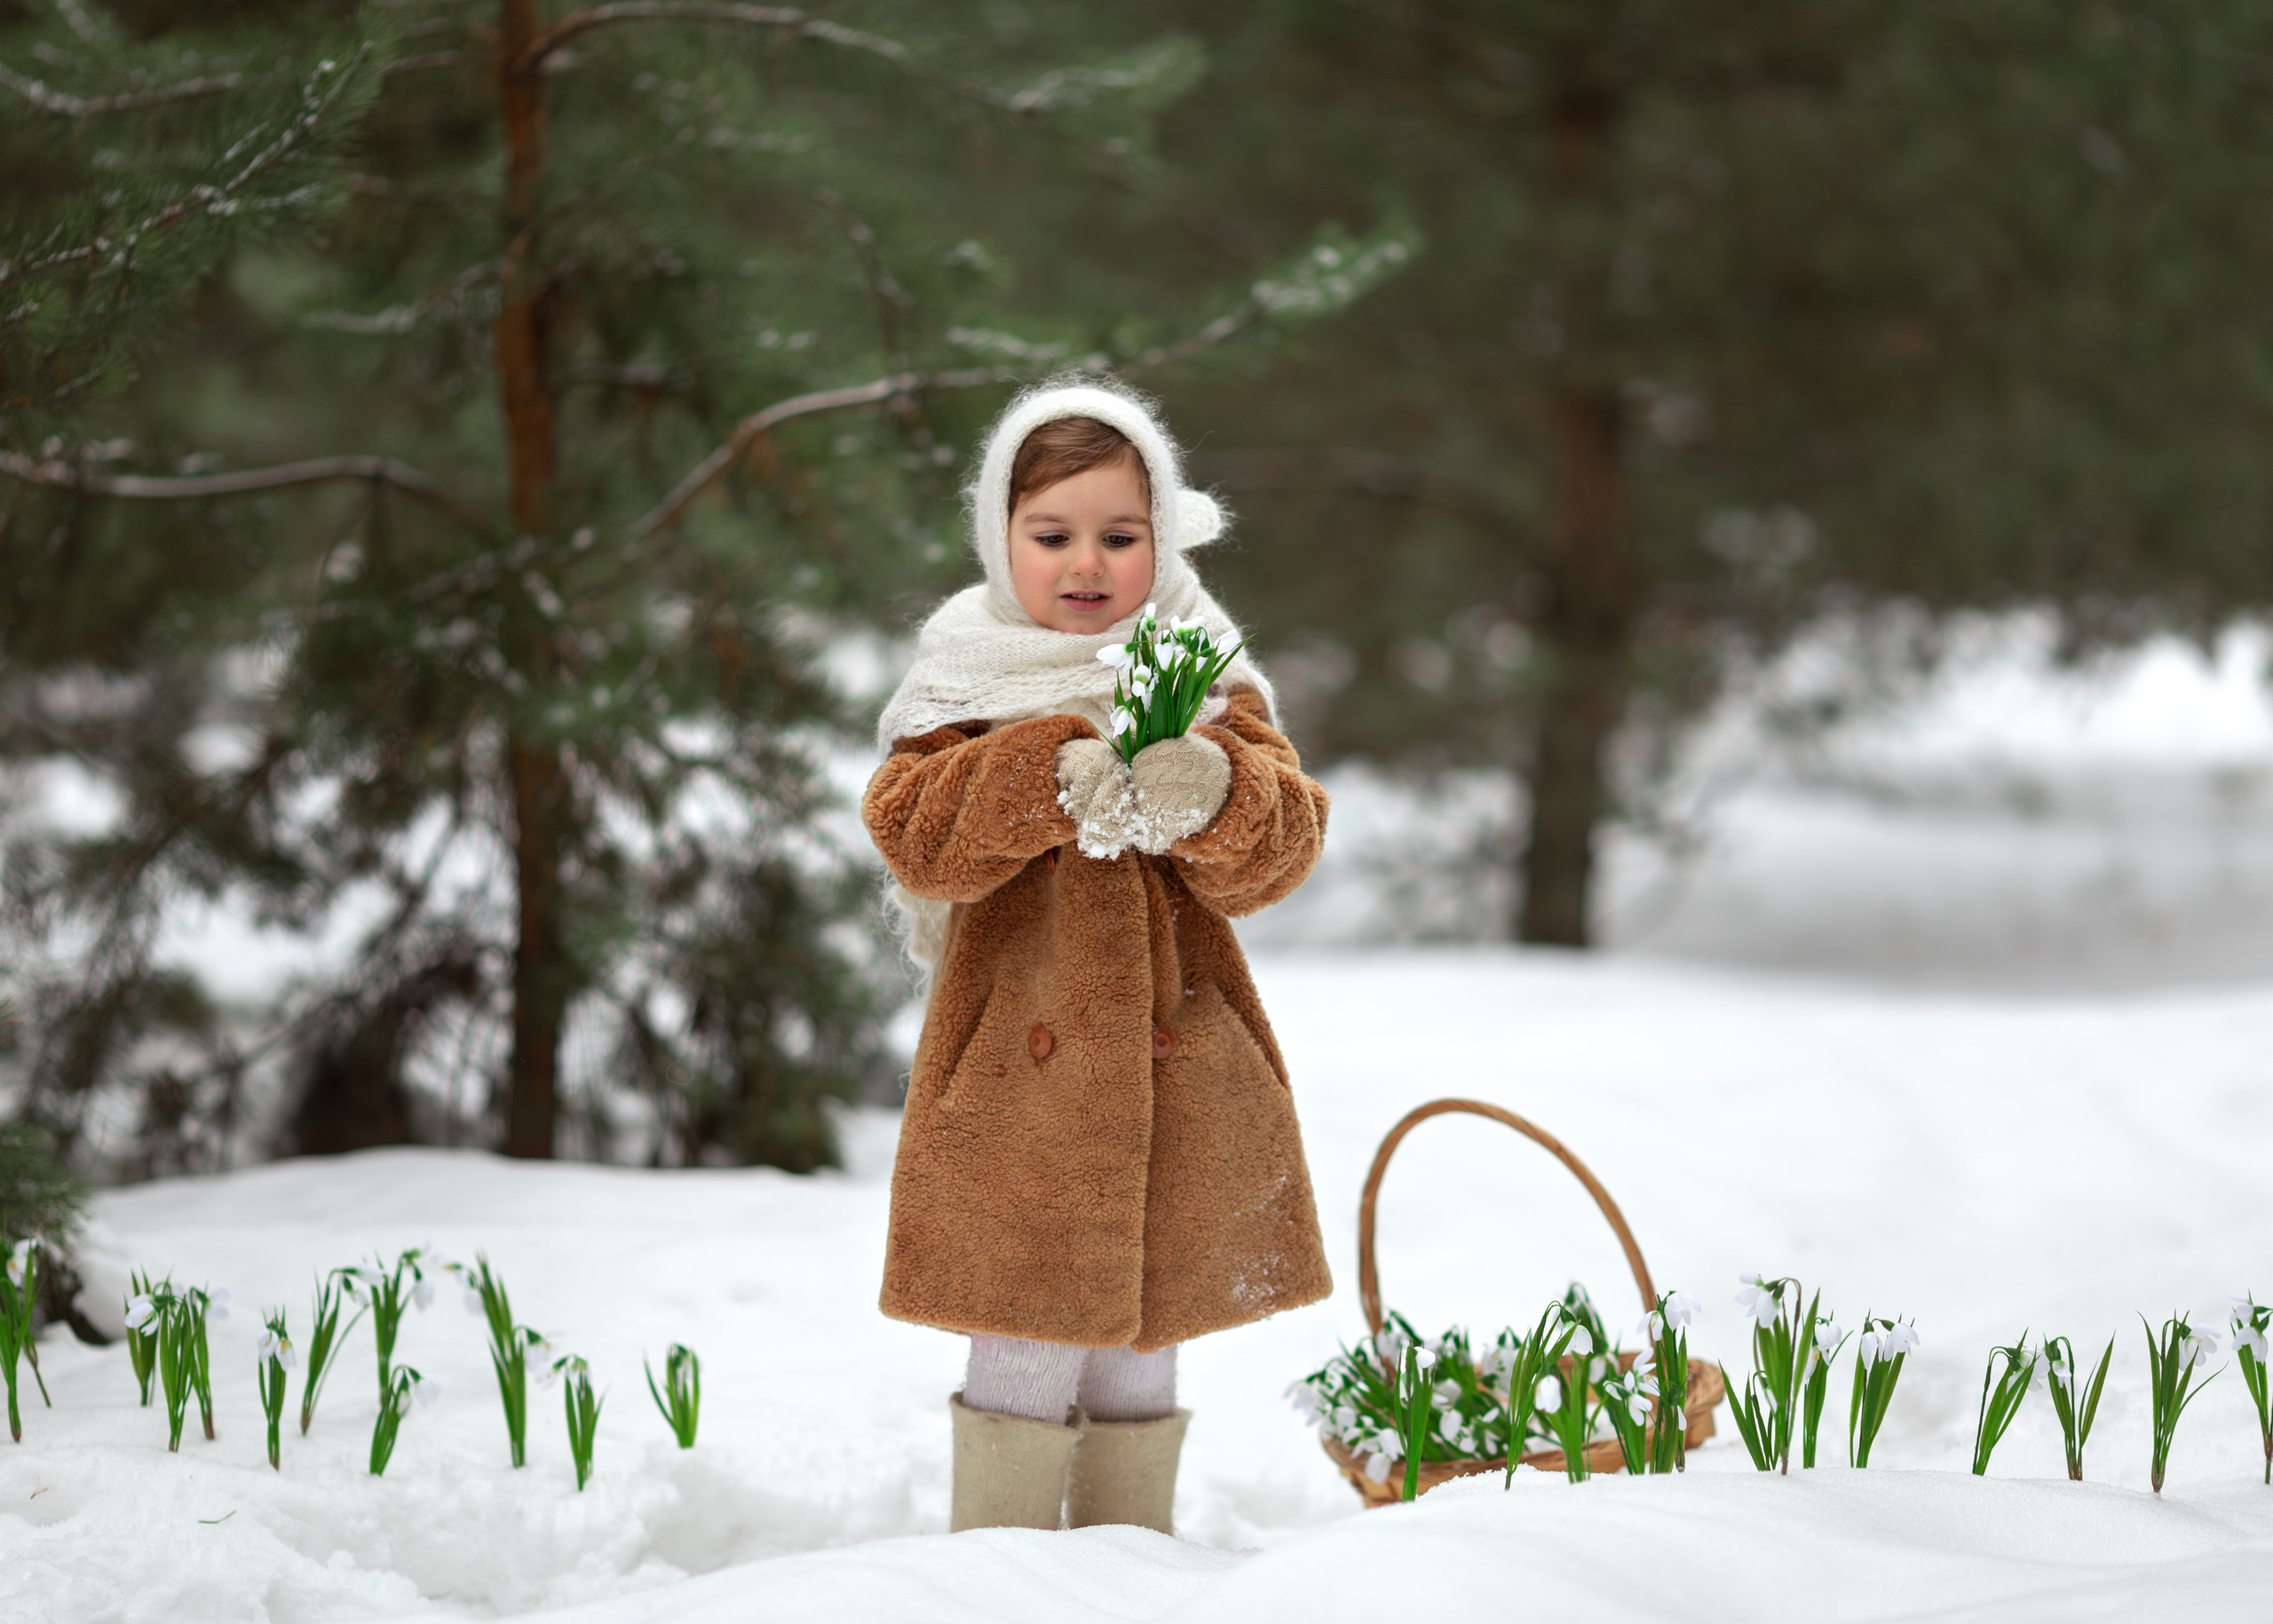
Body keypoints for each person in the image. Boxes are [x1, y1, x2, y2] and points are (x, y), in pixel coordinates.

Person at [863, 376, 1333, 1537]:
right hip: (1020, 1079)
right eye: (1052, 534)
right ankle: (1002, 1564)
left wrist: (1209, 786)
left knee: (1143, 1319)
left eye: (1120, 536)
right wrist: (1041, 771)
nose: (1087, 562)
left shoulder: (1204, 675)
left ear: (1161, 538)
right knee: (1027, 1309)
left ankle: (1131, 1560)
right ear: (999, 538)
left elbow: (1280, 847)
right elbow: (915, 831)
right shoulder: (968, 676)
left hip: (1176, 1068)